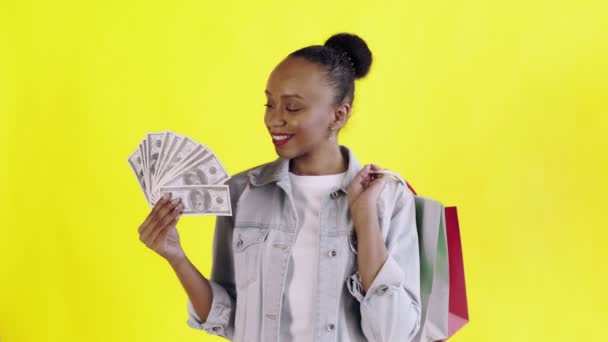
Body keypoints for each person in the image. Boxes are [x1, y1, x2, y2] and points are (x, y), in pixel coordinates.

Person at [137, 32, 421, 342]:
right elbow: (229, 319)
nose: (274, 119)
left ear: (339, 115)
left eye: (292, 108)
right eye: (269, 104)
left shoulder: (389, 200)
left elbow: (394, 334)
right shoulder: (242, 193)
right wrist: (175, 255)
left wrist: (365, 218)